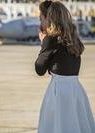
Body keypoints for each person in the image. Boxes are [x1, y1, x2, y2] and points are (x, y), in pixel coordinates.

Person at [35, 1, 95, 133]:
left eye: (41, 19)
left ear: (48, 19)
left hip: (59, 91)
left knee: (58, 126)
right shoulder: (73, 39)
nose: (40, 24)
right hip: (75, 89)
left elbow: (39, 69)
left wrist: (43, 44)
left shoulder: (50, 40)